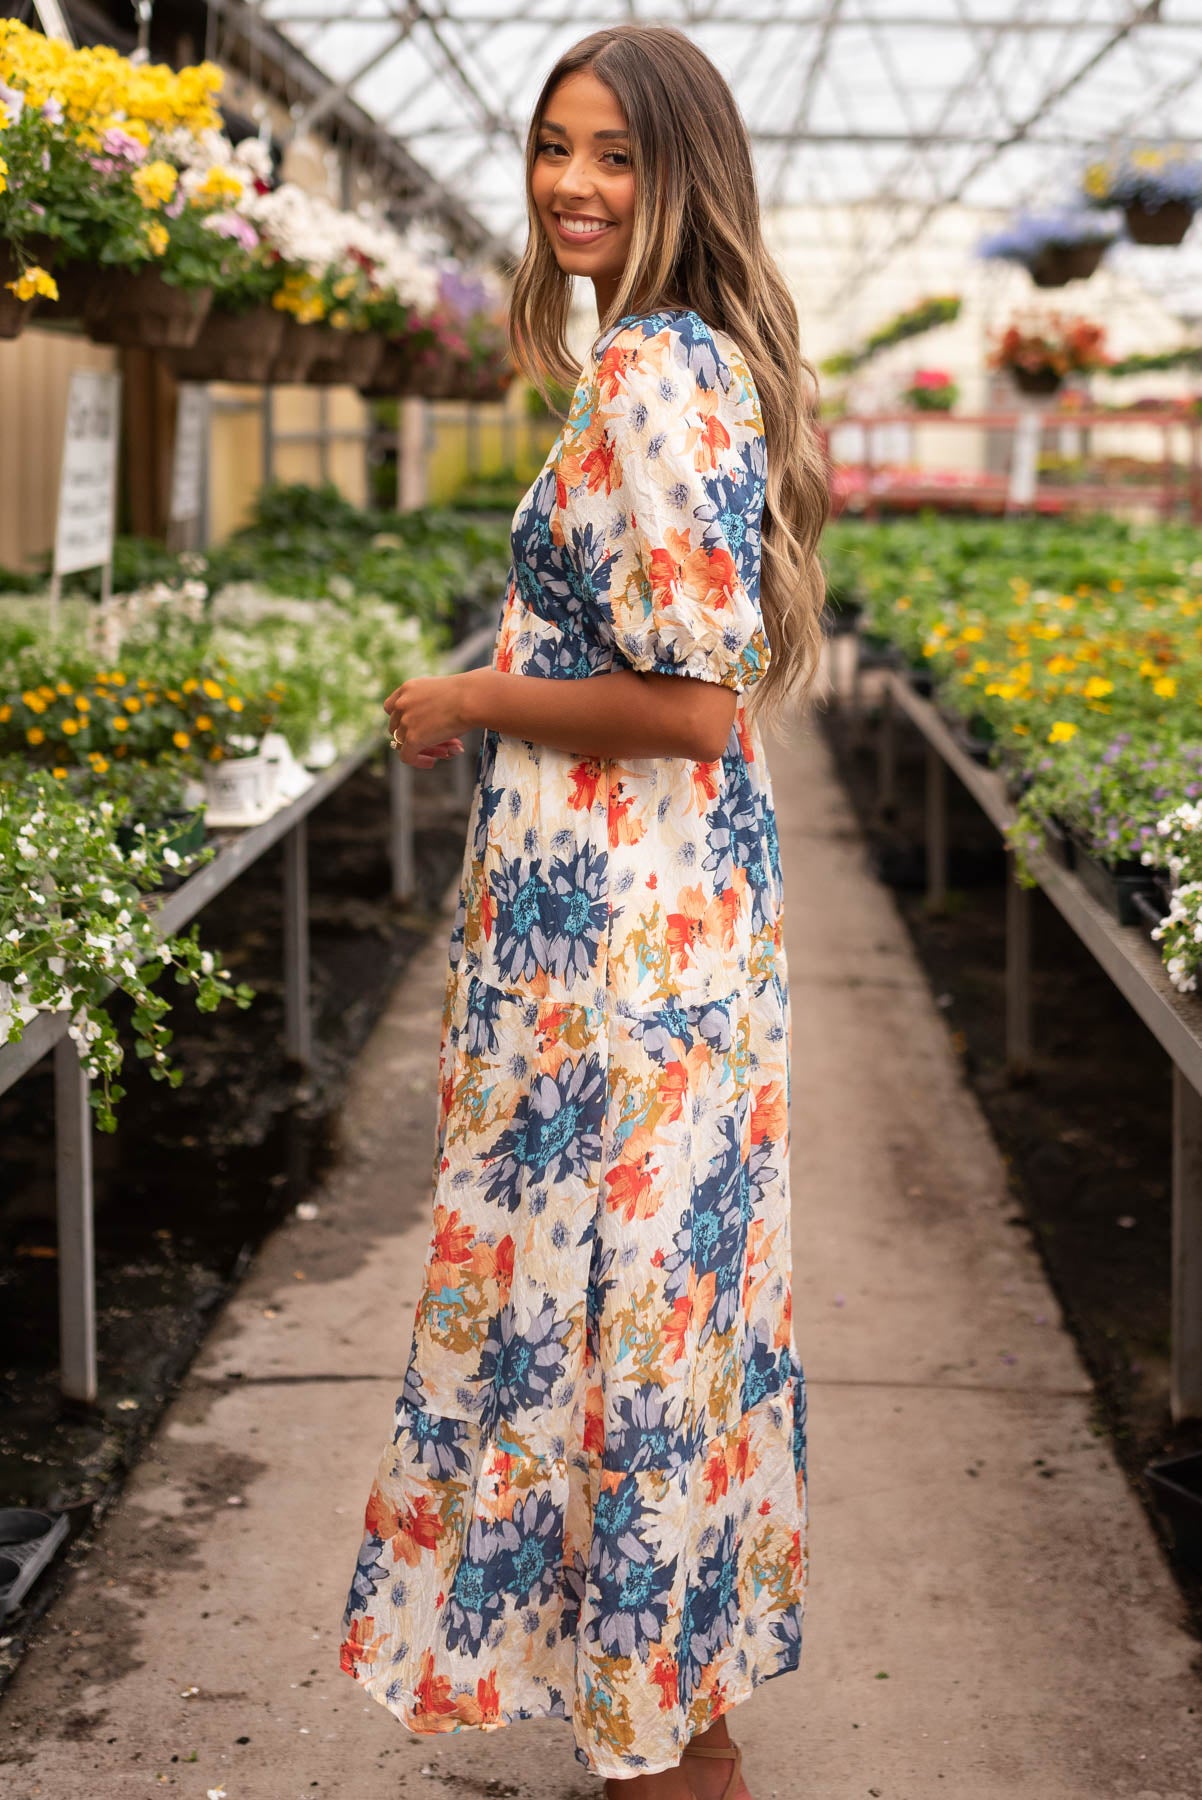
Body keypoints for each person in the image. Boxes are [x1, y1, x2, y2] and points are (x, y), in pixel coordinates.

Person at [338, 22, 829, 1800]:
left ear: (682, 170)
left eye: (615, 153)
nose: (571, 184)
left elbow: (694, 706)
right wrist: (511, 670)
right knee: (648, 1346)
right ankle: (675, 1730)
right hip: (658, 942)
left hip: (624, 968)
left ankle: (665, 1751)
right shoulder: (668, 359)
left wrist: (471, 699)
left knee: (611, 1342)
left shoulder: (652, 371)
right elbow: (659, 649)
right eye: (555, 146)